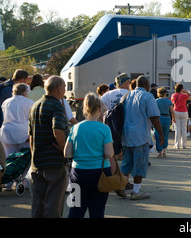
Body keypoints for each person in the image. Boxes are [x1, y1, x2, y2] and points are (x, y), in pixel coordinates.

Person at [64, 93, 114, 218]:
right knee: (97, 210)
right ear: (98, 109)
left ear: (84, 108)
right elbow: (109, 153)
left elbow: (67, 153)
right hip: (100, 172)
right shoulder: (104, 129)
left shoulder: (75, 128)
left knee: (75, 209)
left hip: (78, 173)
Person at [28, 76, 68, 218]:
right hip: (53, 162)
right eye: (64, 87)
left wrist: (33, 155)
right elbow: (57, 129)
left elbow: (31, 136)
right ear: (58, 88)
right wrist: (64, 149)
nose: (64, 90)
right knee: (53, 202)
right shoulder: (56, 105)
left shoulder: (35, 105)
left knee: (38, 202)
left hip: (37, 161)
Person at [119, 75, 164, 199]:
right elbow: (154, 116)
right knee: (140, 164)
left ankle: (121, 186)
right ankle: (136, 191)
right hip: (140, 136)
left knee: (127, 163)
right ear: (146, 85)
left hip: (126, 135)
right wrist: (160, 133)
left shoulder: (126, 96)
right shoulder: (148, 96)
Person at [0, 83, 35, 157]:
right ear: (24, 92)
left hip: (6, 132)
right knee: (24, 158)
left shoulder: (6, 102)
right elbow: (33, 120)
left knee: (8, 158)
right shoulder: (30, 102)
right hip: (24, 132)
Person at [171, 83, 191, 149]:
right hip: (184, 112)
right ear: (182, 89)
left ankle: (177, 145)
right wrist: (187, 92)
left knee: (177, 129)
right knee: (184, 129)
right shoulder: (184, 95)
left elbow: (173, 103)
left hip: (176, 111)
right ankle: (184, 145)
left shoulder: (173, 95)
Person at [155, 87, 175, 158]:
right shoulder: (168, 101)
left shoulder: (156, 101)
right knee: (165, 135)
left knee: (157, 135)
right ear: (165, 93)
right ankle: (164, 151)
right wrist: (173, 118)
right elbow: (172, 111)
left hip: (158, 119)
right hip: (167, 118)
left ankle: (159, 152)